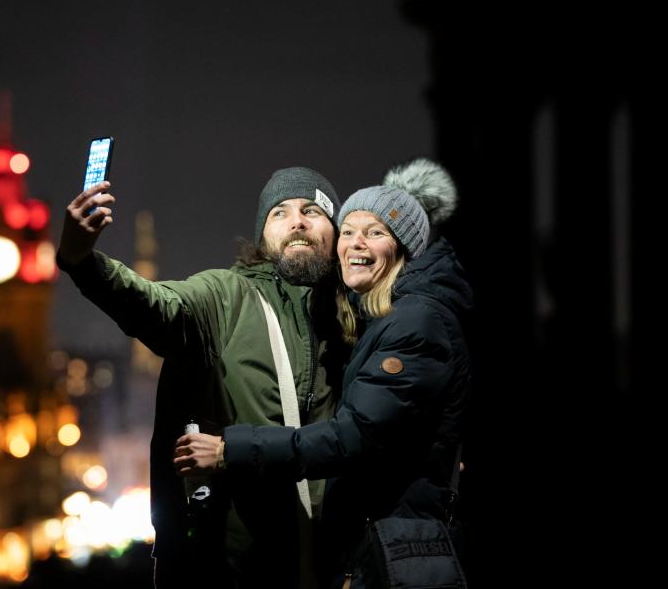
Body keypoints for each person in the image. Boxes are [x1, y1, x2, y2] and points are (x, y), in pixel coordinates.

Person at [174, 159, 472, 588]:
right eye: (347, 231)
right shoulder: (384, 318)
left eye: (375, 232)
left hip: (399, 552)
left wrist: (229, 450)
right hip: (388, 545)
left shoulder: (414, 323)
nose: (355, 243)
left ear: (404, 246)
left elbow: (352, 439)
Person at [56, 167, 349, 589]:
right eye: (279, 213)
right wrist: (81, 259)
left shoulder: (355, 315)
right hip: (239, 566)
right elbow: (158, 306)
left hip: (338, 564)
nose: (297, 221)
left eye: (312, 210)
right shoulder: (226, 296)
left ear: (336, 229)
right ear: (263, 234)